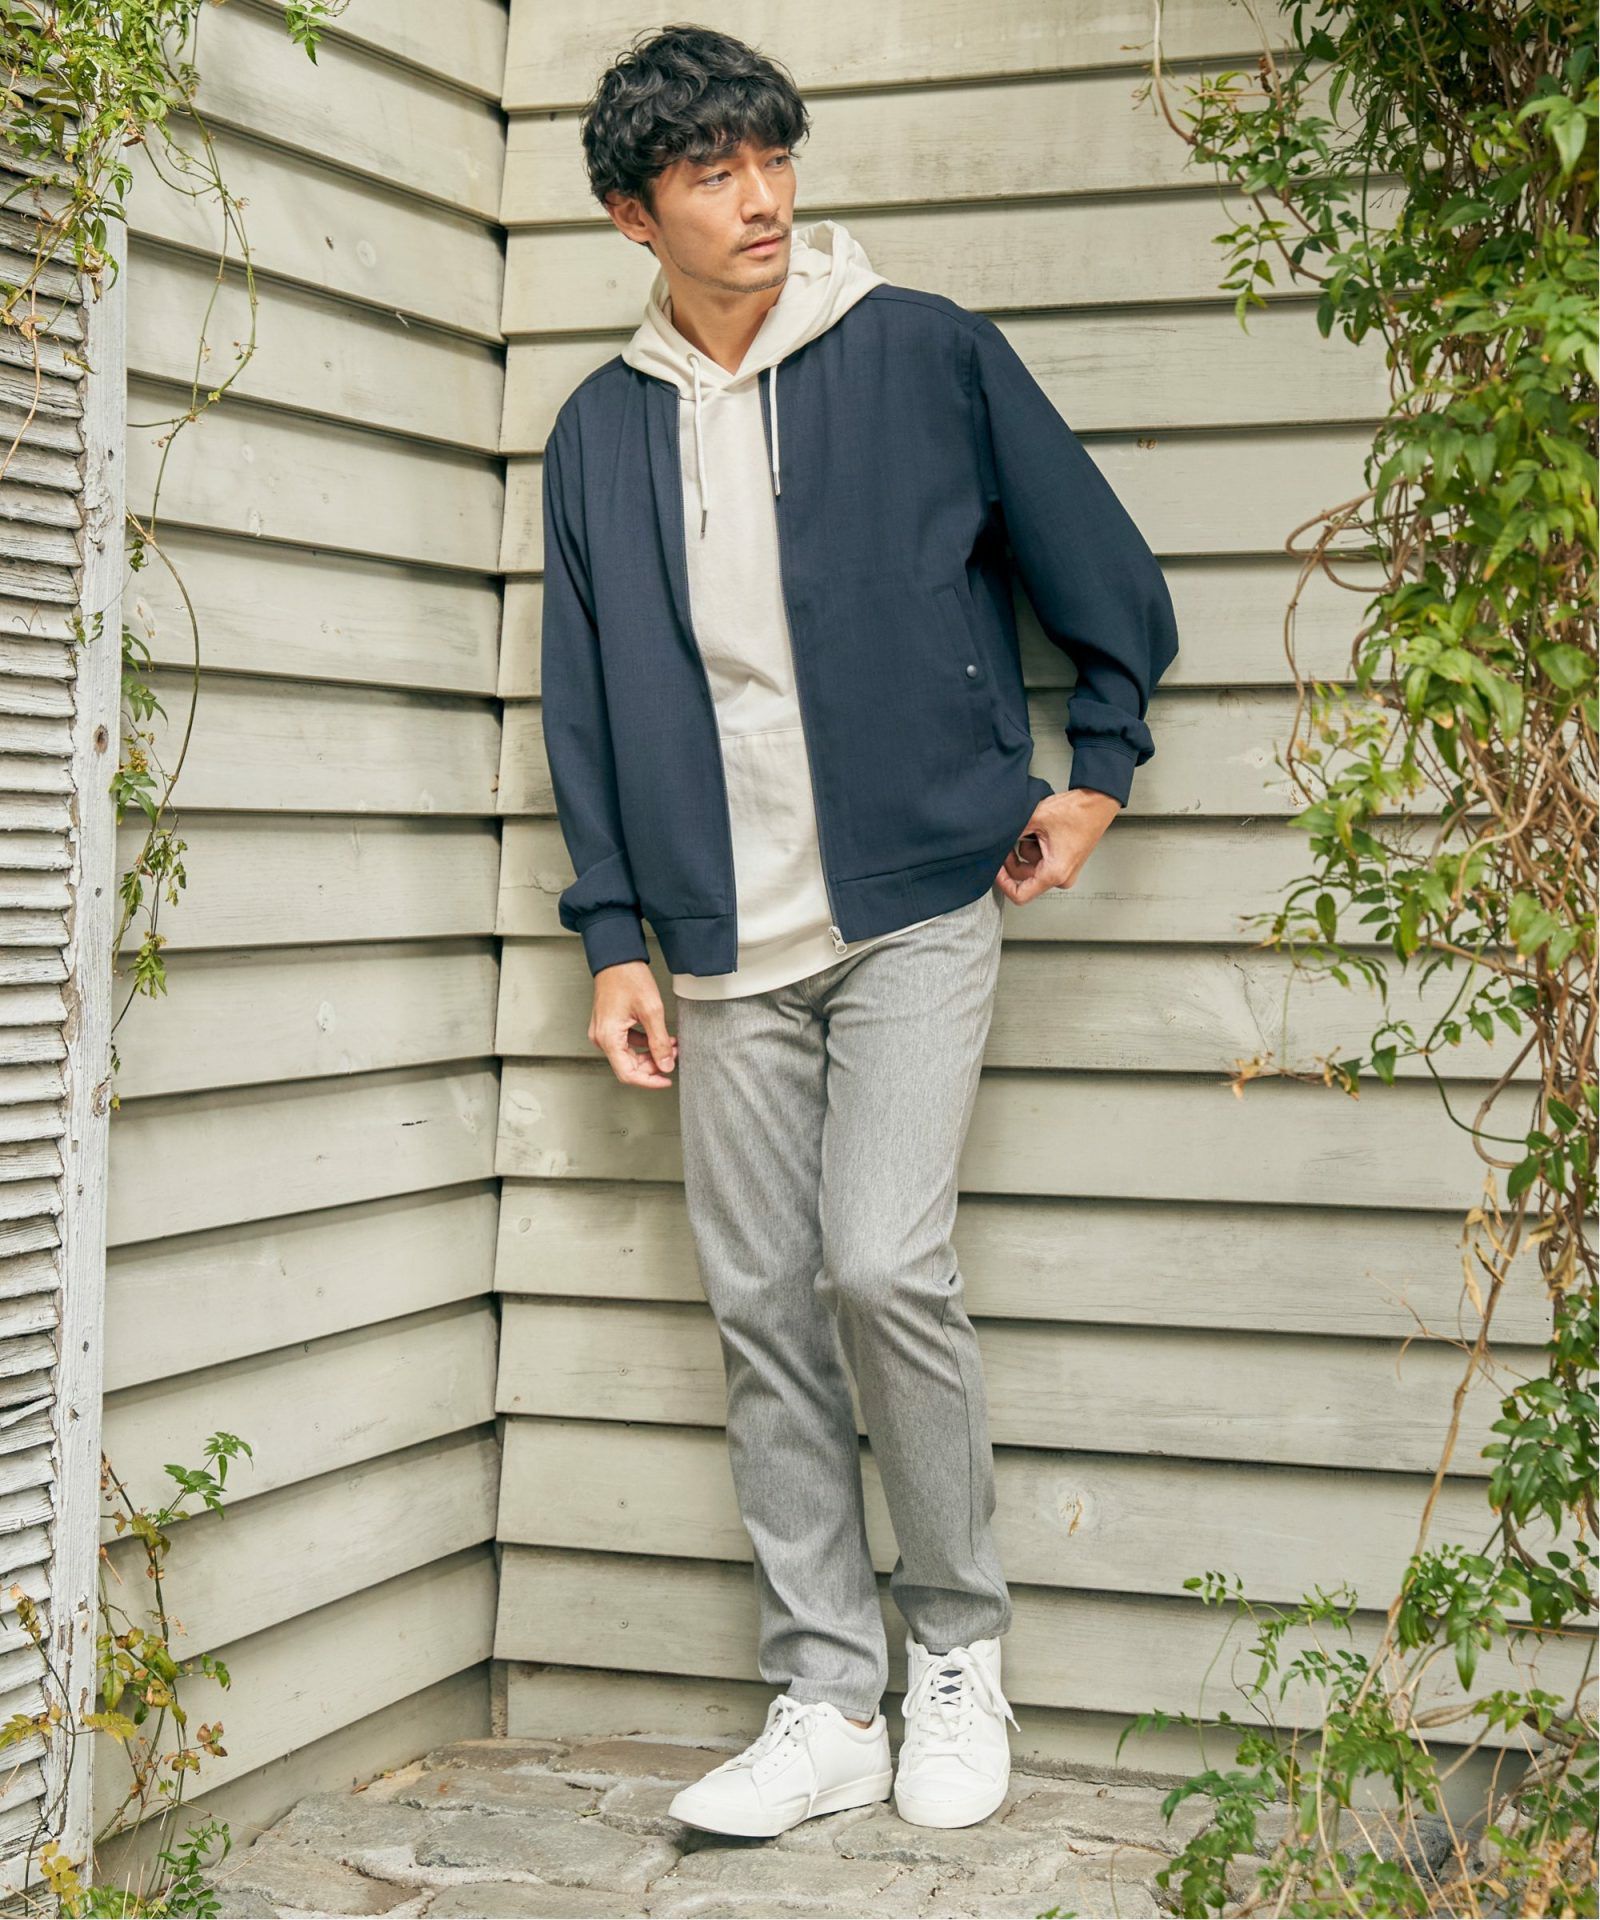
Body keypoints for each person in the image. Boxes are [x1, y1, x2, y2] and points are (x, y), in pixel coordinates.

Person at [541, 22, 1180, 1841]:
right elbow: (582, 698)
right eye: (713, 174)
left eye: (774, 158)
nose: (761, 199)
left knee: (881, 1268)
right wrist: (614, 937)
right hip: (718, 937)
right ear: (634, 215)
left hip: (916, 902)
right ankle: (826, 1698)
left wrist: (1099, 771)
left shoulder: (923, 351)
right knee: (761, 1304)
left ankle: (957, 1652)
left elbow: (1104, 575)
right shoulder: (599, 430)